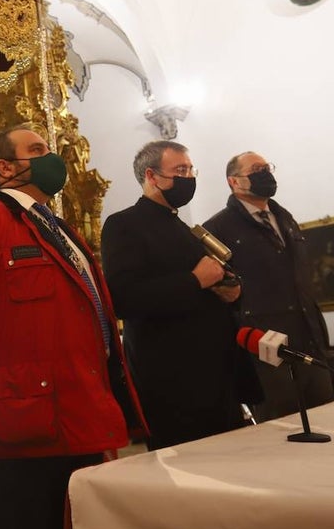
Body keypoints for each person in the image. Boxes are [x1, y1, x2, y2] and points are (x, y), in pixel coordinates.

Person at [0, 124, 145, 529]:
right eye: (37, 149)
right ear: (6, 167)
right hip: (18, 419)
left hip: (81, 410)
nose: (51, 157)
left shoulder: (62, 231)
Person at [101, 140, 261, 450]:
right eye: (180, 170)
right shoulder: (124, 225)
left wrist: (231, 292)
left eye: (190, 169)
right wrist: (194, 280)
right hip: (172, 379)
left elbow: (208, 285)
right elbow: (123, 299)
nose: (188, 178)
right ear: (152, 176)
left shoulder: (183, 228)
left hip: (216, 371)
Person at [202, 152, 334, 421]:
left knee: (328, 417)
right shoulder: (218, 227)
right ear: (234, 182)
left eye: (266, 168)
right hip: (264, 344)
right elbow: (218, 292)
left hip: (308, 335)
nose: (265, 173)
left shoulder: (284, 218)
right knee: (281, 425)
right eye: (256, 169)